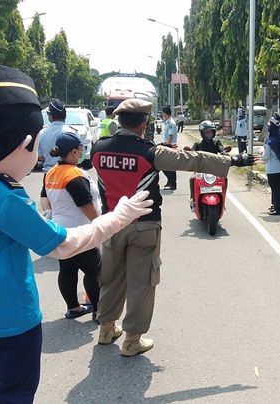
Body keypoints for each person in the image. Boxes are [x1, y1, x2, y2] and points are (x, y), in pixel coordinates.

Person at [0, 65, 153, 403]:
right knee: (12, 395)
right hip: (8, 324)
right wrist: (118, 217)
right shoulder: (2, 197)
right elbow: (64, 244)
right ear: (24, 142)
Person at [91, 98, 254, 356]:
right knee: (141, 283)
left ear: (118, 121)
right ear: (144, 124)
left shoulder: (98, 149)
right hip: (143, 226)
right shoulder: (150, 152)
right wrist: (233, 162)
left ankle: (107, 328)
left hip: (110, 224)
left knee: (111, 278)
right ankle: (132, 340)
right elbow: (193, 160)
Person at [43, 133, 103, 321]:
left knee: (67, 269)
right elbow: (85, 205)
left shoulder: (51, 173)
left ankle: (74, 308)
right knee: (95, 270)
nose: (82, 152)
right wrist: (101, 224)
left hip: (61, 231)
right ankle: (98, 311)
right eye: (81, 149)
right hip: (80, 232)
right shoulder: (74, 175)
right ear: (74, 151)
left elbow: (45, 201)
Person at [38, 98, 79, 173]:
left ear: (50, 115)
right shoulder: (73, 132)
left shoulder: (42, 133)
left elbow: (40, 157)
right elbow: (79, 156)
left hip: (49, 175)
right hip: (68, 175)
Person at [262, 114, 280, 215]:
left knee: (275, 189)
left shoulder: (270, 142)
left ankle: (278, 209)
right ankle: (279, 207)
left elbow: (266, 156)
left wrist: (262, 152)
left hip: (273, 169)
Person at [160, 105, 178, 190]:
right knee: (165, 166)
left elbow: (171, 135)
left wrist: (167, 146)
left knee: (168, 166)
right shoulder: (167, 121)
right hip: (167, 145)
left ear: (164, 113)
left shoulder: (170, 122)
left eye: (162, 112)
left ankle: (172, 184)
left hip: (170, 146)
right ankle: (170, 181)